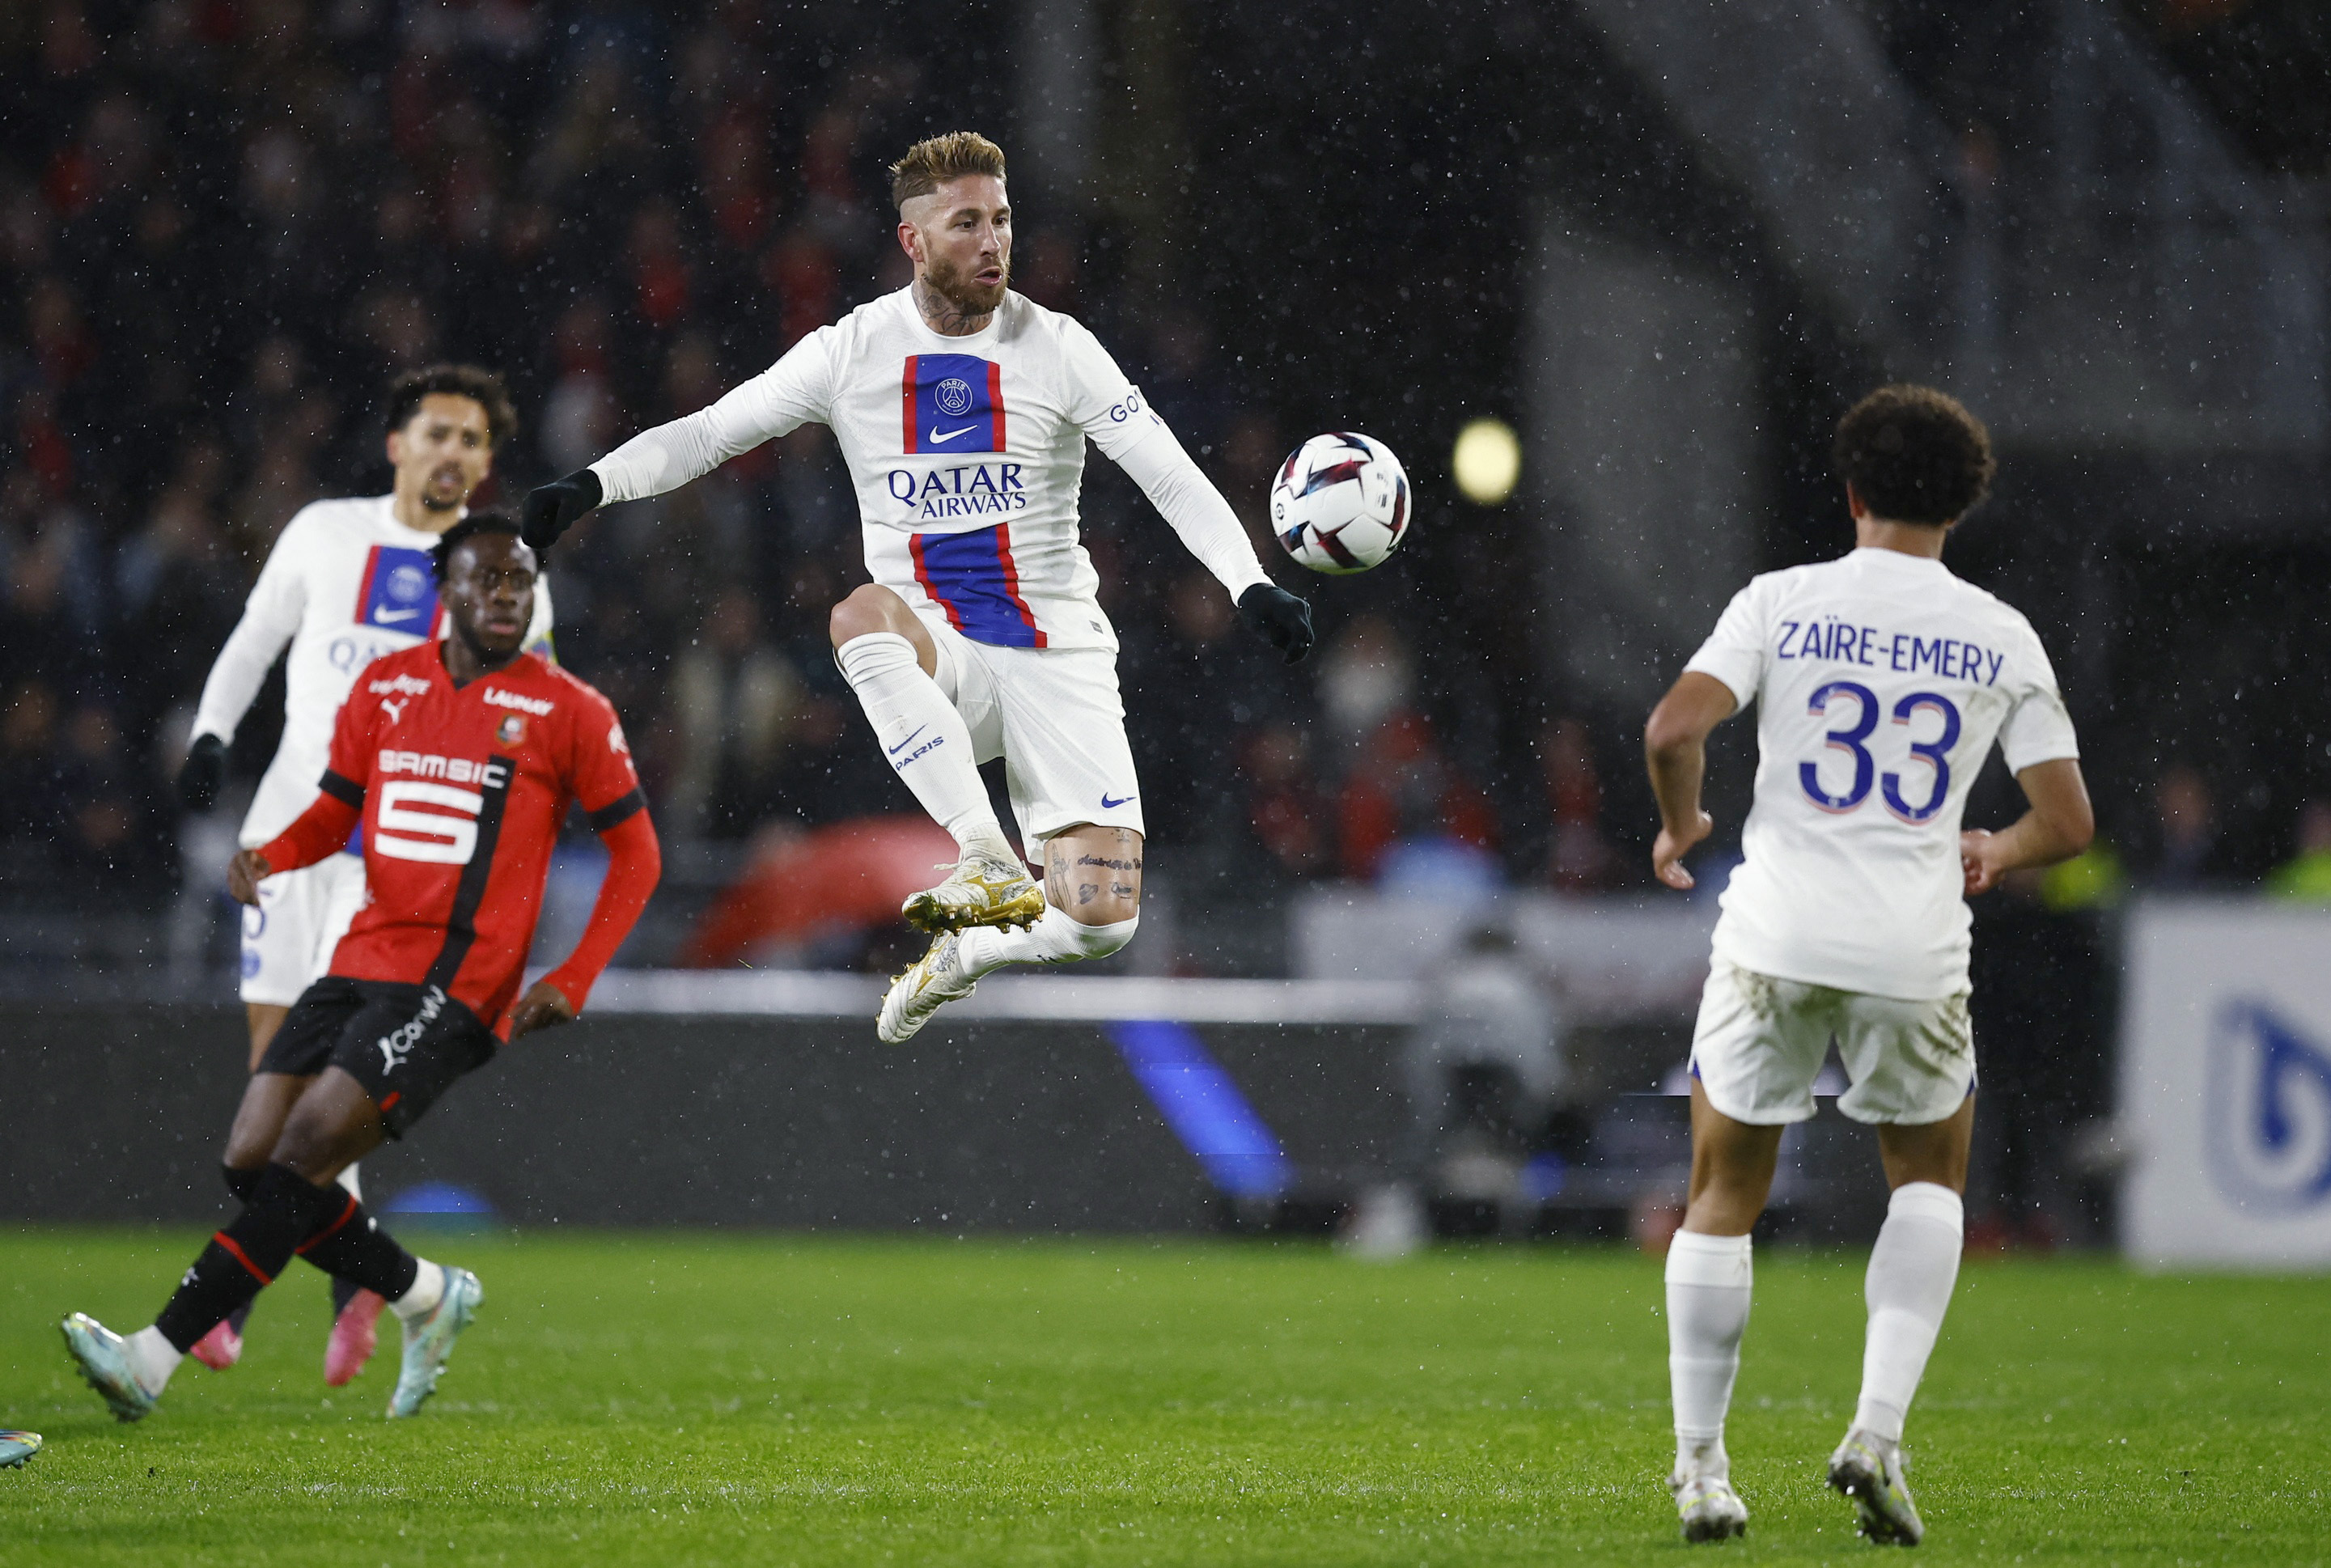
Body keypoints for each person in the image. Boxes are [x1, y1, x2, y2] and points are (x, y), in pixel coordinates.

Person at [520, 131, 1316, 1042]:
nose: (993, 243)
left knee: (1102, 924)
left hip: (1059, 654)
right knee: (860, 614)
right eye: (967, 223)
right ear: (912, 241)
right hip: (941, 654)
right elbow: (706, 433)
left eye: (1003, 221)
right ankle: (983, 855)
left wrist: (1247, 583)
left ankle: (966, 954)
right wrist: (589, 485)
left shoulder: (1061, 349)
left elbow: (1167, 472)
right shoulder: (849, 351)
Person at [64, 516, 657, 1423]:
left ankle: (148, 1359)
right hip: (358, 959)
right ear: (445, 593)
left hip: (458, 983)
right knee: (251, 1161)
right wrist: (274, 854)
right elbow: (337, 813)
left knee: (303, 1154)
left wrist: (572, 977)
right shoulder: (386, 687)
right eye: (487, 580)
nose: (506, 595)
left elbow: (638, 855)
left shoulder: (570, 709)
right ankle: (424, 1292)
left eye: (520, 581)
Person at [1641, 386, 2092, 1545]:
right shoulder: (1997, 631)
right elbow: (2070, 820)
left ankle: (1701, 1471)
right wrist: (1995, 842)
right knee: (1929, 1183)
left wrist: (1682, 821)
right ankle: (1874, 1434)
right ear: (1962, 505)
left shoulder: (1781, 602)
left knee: (1721, 1198)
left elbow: (1671, 730)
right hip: (1911, 940)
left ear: (1850, 492)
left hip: (1774, 932)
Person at [175, 365, 551, 1384]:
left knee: (328, 1093)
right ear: (397, 443)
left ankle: (245, 1299)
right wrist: (212, 735)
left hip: (394, 870)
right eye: (437, 433)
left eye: (472, 442)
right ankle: (376, 1286)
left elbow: (527, 720)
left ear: (485, 463)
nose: (452, 454)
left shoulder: (502, 570)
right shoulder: (324, 533)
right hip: (288, 840)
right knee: (273, 1081)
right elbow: (254, 642)